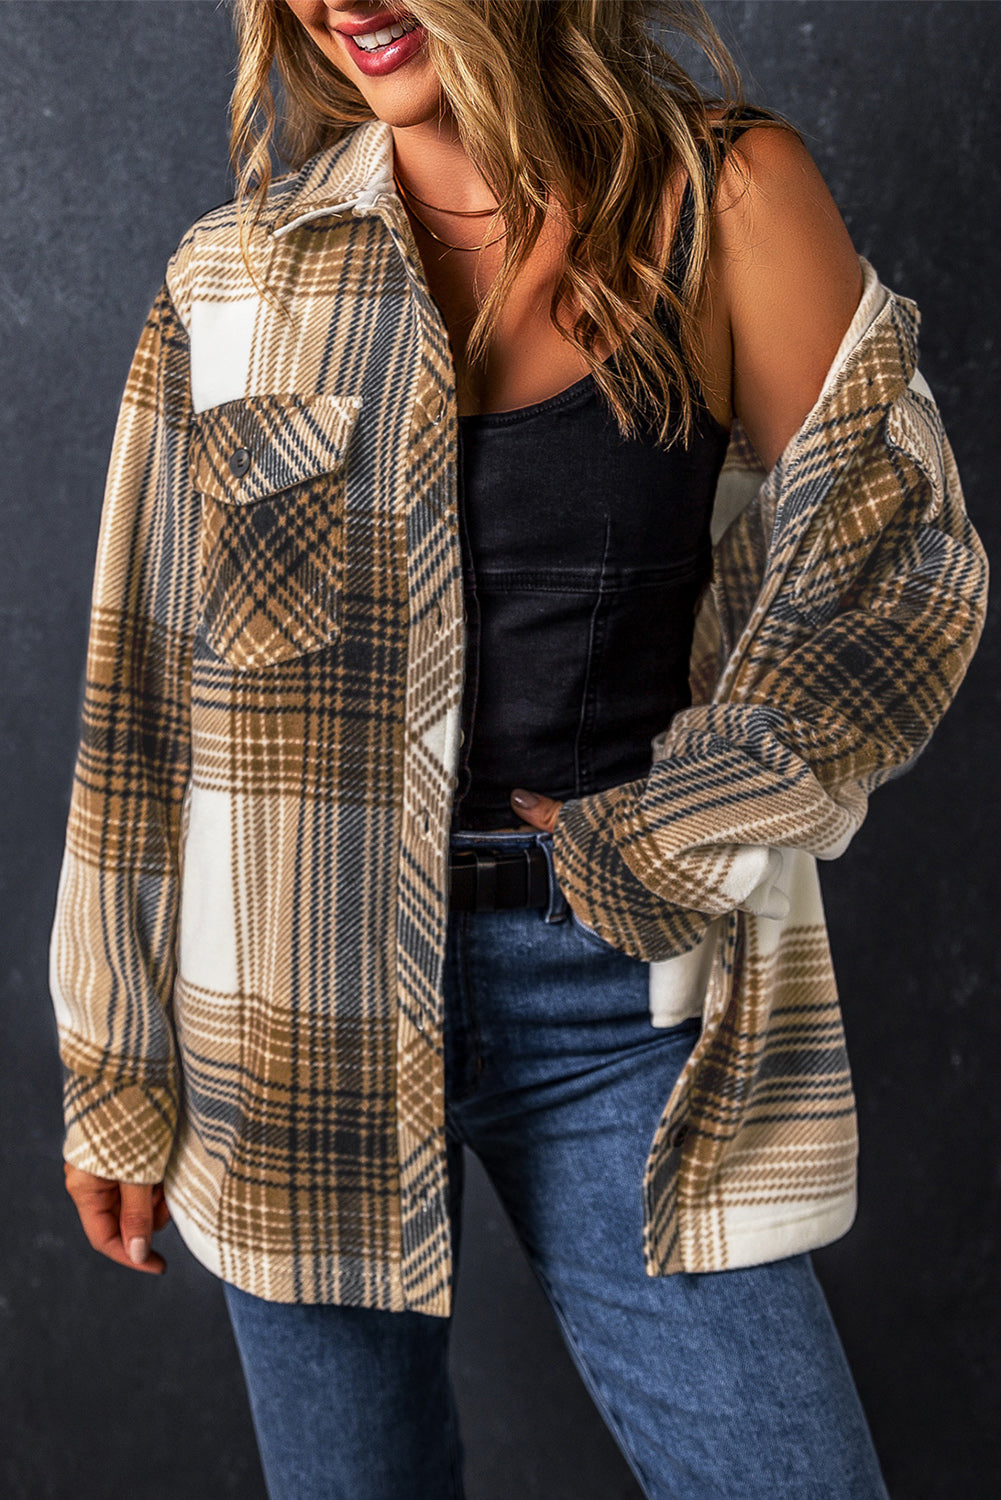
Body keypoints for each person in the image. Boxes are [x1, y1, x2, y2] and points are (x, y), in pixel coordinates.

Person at [49, 2, 987, 1496]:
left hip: (616, 1001)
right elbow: (146, 693)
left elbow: (890, 566)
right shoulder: (236, 275)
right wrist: (113, 1062)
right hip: (291, 1001)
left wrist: (670, 833)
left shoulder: (721, 199)